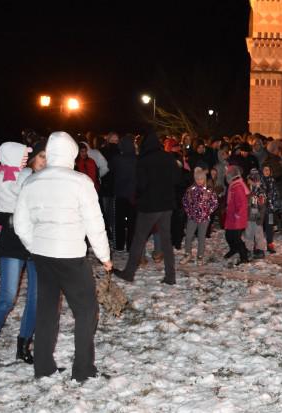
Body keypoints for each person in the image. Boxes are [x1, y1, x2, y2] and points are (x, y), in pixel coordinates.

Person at [14, 132, 112, 382]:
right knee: (86, 310)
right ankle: (83, 369)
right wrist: (104, 256)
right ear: (70, 153)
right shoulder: (80, 182)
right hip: (70, 256)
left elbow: (20, 223)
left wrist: (34, 245)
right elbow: (94, 222)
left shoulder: (32, 182)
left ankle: (43, 366)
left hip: (43, 256)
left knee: (46, 310)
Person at [0, 141, 43, 366]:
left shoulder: (34, 176)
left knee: (35, 299)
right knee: (7, 297)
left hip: (36, 241)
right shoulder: (2, 176)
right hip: (13, 241)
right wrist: (8, 219)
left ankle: (24, 346)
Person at [113, 129, 182, 286]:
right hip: (166, 205)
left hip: (150, 206)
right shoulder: (168, 157)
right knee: (166, 240)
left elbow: (141, 184)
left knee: (139, 239)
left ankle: (129, 272)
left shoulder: (143, 160)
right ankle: (170, 275)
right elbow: (177, 179)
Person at [181, 167, 219, 263]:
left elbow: (214, 203)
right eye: (197, 179)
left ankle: (200, 256)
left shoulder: (209, 191)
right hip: (192, 218)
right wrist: (189, 212)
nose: (199, 181)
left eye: (201, 179)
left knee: (201, 237)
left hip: (204, 218)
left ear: (204, 179)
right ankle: (187, 254)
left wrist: (208, 211)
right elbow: (185, 201)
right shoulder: (191, 190)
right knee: (188, 236)